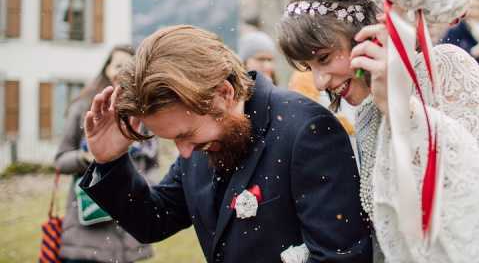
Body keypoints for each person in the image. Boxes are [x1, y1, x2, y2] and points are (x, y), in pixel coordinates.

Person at [277, 0, 479, 263]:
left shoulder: (447, 66)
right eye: (310, 68)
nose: (320, 82)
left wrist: (405, 110)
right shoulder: (365, 114)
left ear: (368, 34)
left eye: (324, 58)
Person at [79, 25, 372, 263]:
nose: (184, 152)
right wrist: (111, 161)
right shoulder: (201, 136)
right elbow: (155, 219)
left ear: (224, 92)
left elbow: (341, 258)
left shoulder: (307, 131)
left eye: (185, 135)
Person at [54, 45, 155, 263]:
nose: (122, 71)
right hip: (88, 231)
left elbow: (152, 164)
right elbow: (60, 161)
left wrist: (144, 187)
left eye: (129, 66)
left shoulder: (143, 112)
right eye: (118, 64)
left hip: (128, 231)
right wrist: (87, 158)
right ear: (107, 69)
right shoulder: (84, 108)